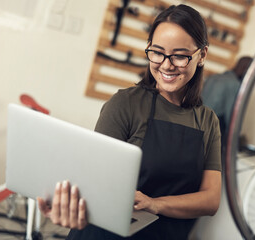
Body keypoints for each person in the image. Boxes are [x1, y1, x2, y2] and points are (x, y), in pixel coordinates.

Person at [37, 4, 222, 240]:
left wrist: (155, 204)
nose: (166, 64)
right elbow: (93, 183)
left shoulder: (207, 121)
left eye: (179, 55)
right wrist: (70, 207)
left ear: (202, 55)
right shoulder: (125, 104)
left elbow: (210, 199)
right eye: (157, 52)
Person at [201, 56, 253, 148]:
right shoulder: (234, 84)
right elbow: (231, 115)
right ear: (245, 69)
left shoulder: (213, 77)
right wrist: (236, 137)